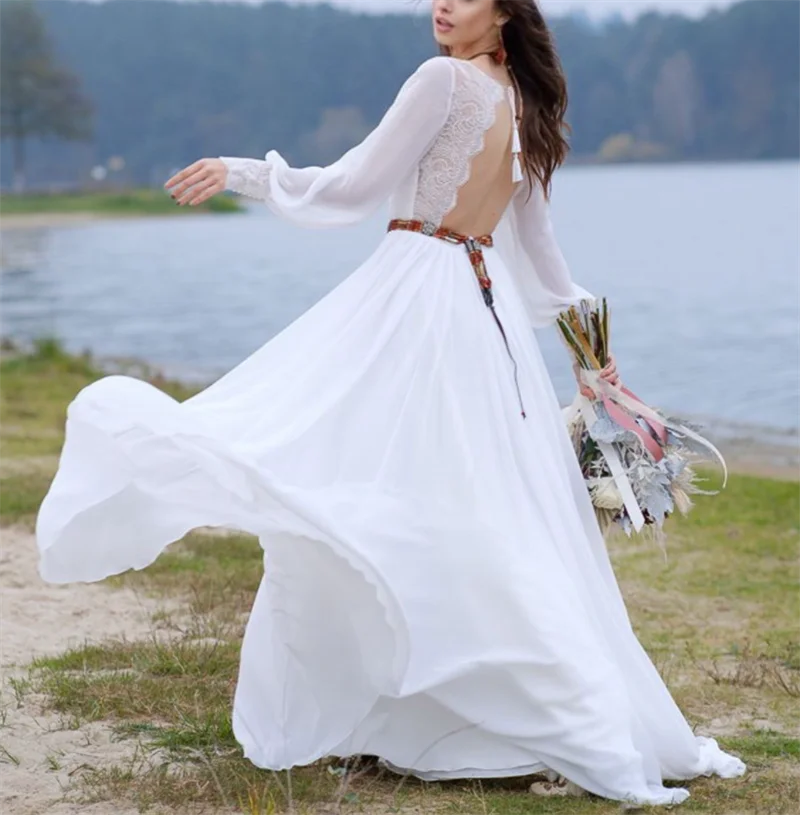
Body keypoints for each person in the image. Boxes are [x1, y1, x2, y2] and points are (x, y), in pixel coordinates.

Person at [35, 0, 746, 805]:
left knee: (353, 473)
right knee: (475, 503)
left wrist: (248, 172)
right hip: (487, 321)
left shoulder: (442, 81)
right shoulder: (528, 106)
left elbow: (353, 186)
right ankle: (465, 711)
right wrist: (594, 353)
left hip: (417, 298)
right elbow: (544, 261)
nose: (441, 5)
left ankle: (429, 705)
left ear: (505, 12)